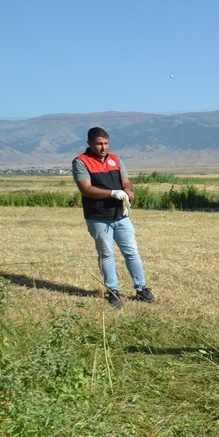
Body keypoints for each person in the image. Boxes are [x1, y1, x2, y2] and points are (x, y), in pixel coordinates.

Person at [72, 127, 155, 308]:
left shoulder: (115, 159)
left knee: (132, 252)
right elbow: (86, 189)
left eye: (106, 143)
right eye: (99, 144)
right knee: (106, 254)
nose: (103, 147)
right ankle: (112, 291)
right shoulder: (81, 162)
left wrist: (127, 190)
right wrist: (112, 193)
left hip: (121, 215)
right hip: (98, 217)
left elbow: (126, 180)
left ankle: (141, 289)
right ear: (89, 143)